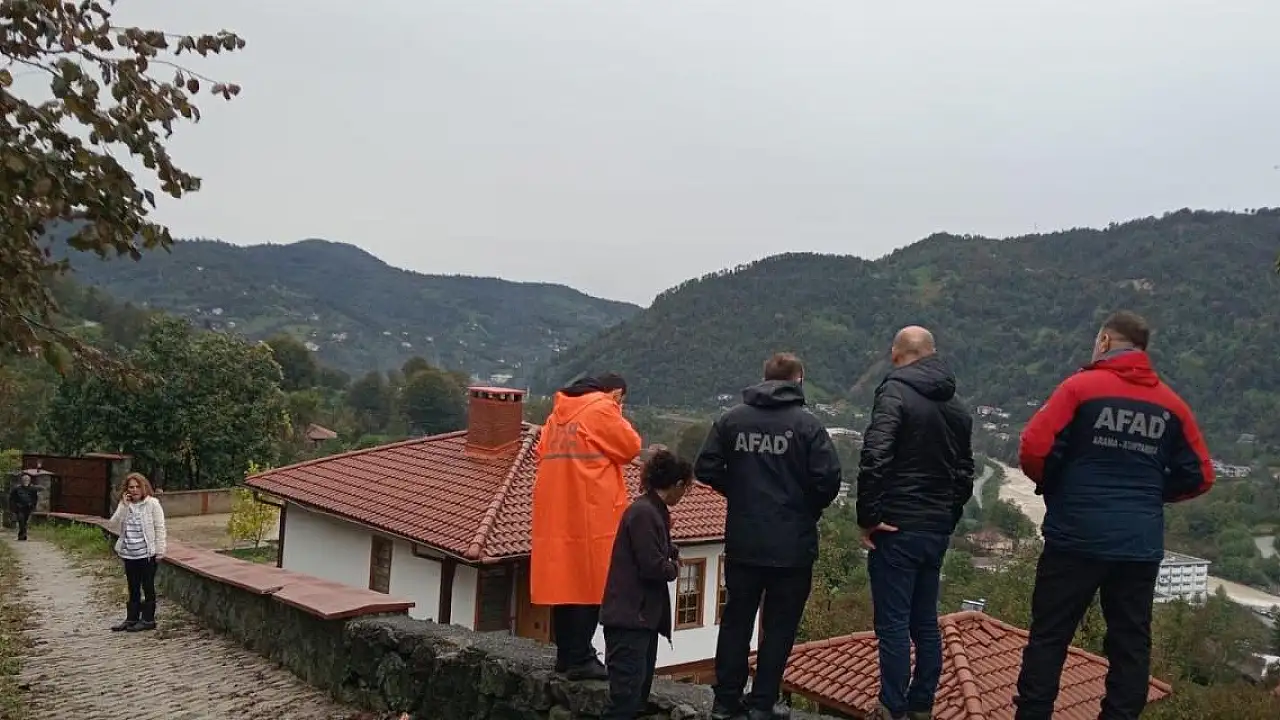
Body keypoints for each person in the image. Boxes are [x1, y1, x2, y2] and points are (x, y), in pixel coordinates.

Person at [1013, 311, 1213, 720]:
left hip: (1075, 536)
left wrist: (1056, 486)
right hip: (1138, 545)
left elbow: (1034, 447)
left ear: (1104, 342)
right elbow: (1201, 476)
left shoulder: (1079, 388)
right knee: (1130, 643)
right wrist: (1151, 495)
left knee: (1050, 635)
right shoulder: (1172, 406)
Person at [695, 352, 843, 720]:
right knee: (779, 627)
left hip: (744, 539)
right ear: (798, 380)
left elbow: (706, 467)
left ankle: (724, 702)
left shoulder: (732, 420)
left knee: (736, 620)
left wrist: (739, 492)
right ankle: (762, 703)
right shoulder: (808, 426)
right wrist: (805, 507)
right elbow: (828, 480)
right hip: (792, 546)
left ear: (764, 378)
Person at [856, 326, 974, 720]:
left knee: (892, 623)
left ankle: (891, 705)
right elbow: (965, 473)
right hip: (935, 528)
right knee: (924, 620)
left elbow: (876, 454)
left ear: (897, 355)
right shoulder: (958, 407)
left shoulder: (895, 392)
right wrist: (946, 516)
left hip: (897, 526)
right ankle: (922, 702)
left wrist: (869, 517)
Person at [531, 373, 646, 680]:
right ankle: (581, 657)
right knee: (591, 586)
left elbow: (540, 453)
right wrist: (615, 409)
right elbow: (631, 447)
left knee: (565, 586)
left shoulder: (556, 416)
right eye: (620, 399)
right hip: (592, 512)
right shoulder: (602, 409)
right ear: (614, 393)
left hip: (557, 513)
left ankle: (566, 655)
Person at [599, 448, 692, 719]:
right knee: (624, 701)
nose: (684, 495)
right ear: (677, 484)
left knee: (635, 697)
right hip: (630, 621)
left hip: (639, 621)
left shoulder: (650, 511)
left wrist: (669, 550)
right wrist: (673, 568)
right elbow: (651, 566)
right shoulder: (644, 513)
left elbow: (648, 548)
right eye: (685, 488)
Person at [106, 472, 168, 632]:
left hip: (147, 555)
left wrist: (160, 551)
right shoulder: (125, 505)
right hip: (129, 554)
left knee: (147, 587)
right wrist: (123, 506)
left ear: (143, 487)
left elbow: (160, 528)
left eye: (137, 487)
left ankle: (148, 619)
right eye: (131, 487)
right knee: (133, 587)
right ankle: (132, 618)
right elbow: (113, 525)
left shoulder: (152, 504)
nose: (134, 490)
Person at [8, 472, 39, 541]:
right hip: (20, 508)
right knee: (21, 520)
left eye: (27, 480)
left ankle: (21, 535)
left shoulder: (32, 489)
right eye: (24, 480)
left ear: (29, 481)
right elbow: (11, 499)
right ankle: (23, 534)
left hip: (28, 508)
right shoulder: (16, 489)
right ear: (21, 481)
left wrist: (33, 505)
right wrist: (13, 508)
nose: (26, 481)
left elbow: (35, 498)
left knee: (25, 522)